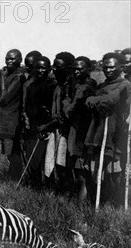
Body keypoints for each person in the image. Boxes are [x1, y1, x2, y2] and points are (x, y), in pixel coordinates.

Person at [84, 52, 131, 206]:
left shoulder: (124, 84)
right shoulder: (102, 85)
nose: (108, 70)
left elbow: (111, 100)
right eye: (105, 67)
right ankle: (100, 201)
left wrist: (95, 100)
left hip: (115, 132)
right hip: (98, 130)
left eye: (112, 67)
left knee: (114, 168)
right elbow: (89, 102)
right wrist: (94, 101)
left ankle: (117, 204)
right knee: (96, 167)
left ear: (120, 67)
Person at [62, 56, 96, 202]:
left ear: (88, 69)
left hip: (82, 132)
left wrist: (65, 101)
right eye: (74, 69)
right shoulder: (79, 86)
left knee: (81, 169)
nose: (76, 71)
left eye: (80, 69)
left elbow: (71, 111)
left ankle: (82, 204)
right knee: (78, 168)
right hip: (77, 130)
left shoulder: (87, 88)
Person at [21, 56, 57, 187]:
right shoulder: (30, 85)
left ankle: (50, 185)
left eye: (43, 67)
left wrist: (46, 125)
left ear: (49, 68)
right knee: (33, 158)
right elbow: (27, 106)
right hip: (33, 126)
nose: (40, 70)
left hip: (48, 126)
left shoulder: (53, 86)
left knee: (47, 159)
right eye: (37, 68)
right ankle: (36, 185)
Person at [0, 49, 26, 178]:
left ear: (19, 60)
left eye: (12, 59)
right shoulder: (9, 75)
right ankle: (12, 176)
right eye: (7, 59)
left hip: (12, 119)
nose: (9, 61)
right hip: (3, 117)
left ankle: (16, 177)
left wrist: (1, 78)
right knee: (8, 151)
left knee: (13, 151)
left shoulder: (18, 77)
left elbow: (3, 98)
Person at [48, 52, 76, 187]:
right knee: (57, 160)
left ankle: (68, 190)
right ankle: (59, 187)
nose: (54, 70)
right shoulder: (58, 84)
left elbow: (68, 113)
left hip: (68, 130)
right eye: (54, 67)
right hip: (57, 127)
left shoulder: (72, 86)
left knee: (65, 161)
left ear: (69, 68)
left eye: (58, 67)